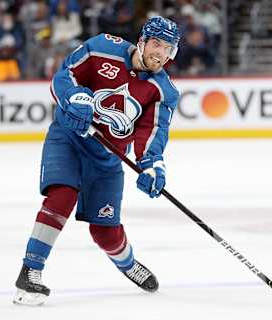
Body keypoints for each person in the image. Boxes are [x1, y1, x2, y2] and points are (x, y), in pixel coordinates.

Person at [13, 16, 180, 306]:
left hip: (107, 159)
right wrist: (75, 97)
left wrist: (152, 164)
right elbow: (64, 77)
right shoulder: (102, 48)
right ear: (142, 41)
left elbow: (151, 131)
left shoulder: (163, 91)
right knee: (62, 195)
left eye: (168, 48)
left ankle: (128, 264)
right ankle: (31, 271)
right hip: (69, 141)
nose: (161, 53)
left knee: (105, 232)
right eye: (156, 44)